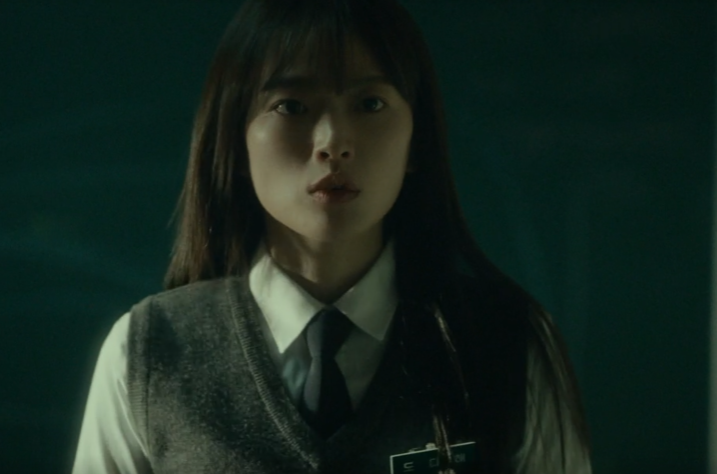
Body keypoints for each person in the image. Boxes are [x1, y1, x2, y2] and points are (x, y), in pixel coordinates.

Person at [71, 0, 592, 472]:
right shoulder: (148, 353)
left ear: (417, 141)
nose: (334, 142)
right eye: (292, 106)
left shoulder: (506, 343)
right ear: (235, 139)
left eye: (370, 104)